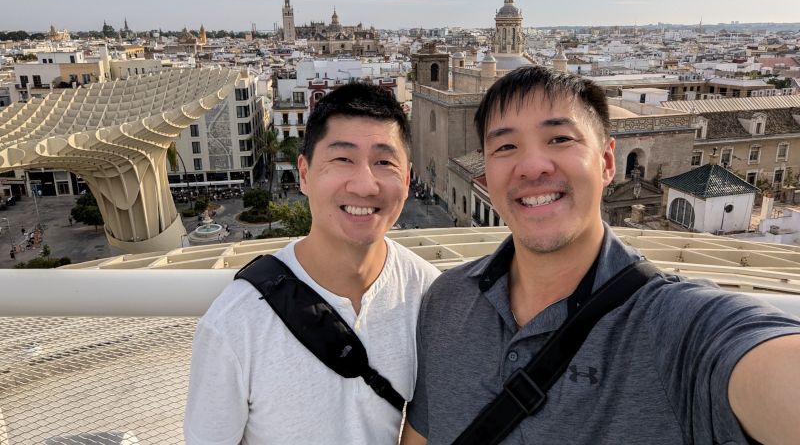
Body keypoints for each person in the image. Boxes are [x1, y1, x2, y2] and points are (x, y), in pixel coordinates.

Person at [403, 66, 800, 445]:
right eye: (506, 146)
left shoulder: (676, 324)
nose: (533, 167)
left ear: (607, 161)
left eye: (560, 139)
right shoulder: (445, 300)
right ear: (486, 172)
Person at [185, 83, 440, 444]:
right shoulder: (236, 323)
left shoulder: (430, 297)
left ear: (407, 178)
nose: (365, 185)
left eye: (384, 162)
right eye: (343, 159)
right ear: (304, 174)